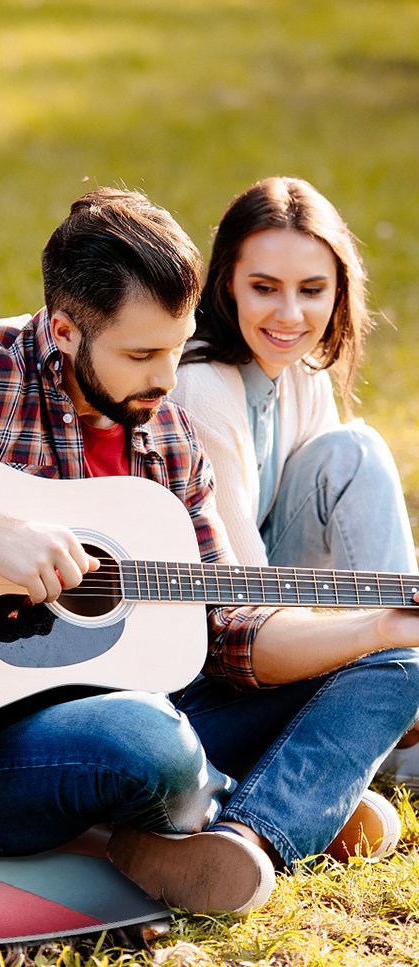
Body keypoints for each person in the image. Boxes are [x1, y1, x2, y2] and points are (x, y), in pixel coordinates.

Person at [0, 187, 419, 916]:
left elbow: (228, 629)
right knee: (147, 742)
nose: (167, 380)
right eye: (141, 354)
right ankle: (276, 796)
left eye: (176, 346)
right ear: (65, 330)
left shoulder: (167, 435)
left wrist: (375, 628)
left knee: (399, 665)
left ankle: (249, 837)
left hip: (146, 709)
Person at [172, 176, 419, 792]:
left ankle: (395, 698)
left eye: (312, 290)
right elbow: (243, 601)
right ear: (226, 281)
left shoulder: (300, 370)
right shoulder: (202, 385)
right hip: (215, 647)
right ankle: (396, 707)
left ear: (339, 291)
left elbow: (340, 531)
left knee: (350, 452)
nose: (290, 315)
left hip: (280, 608)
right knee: (356, 451)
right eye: (264, 288)